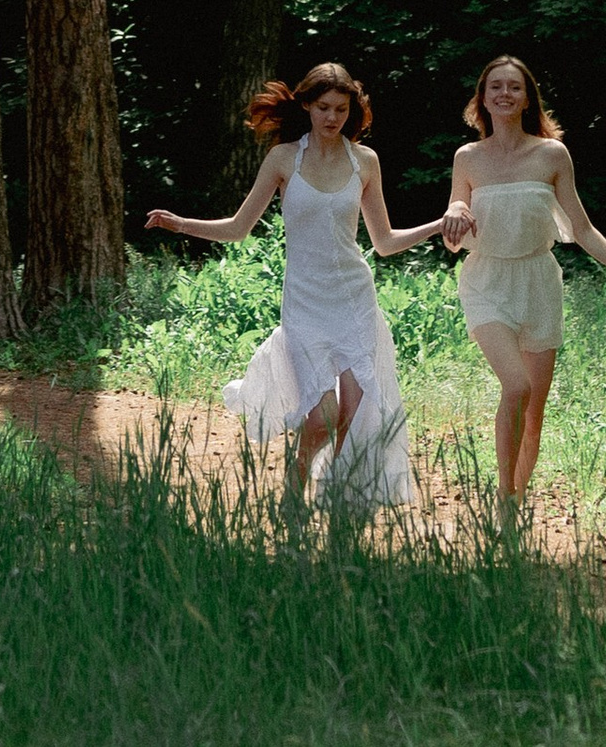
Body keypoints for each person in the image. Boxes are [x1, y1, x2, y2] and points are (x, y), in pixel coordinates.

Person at [145, 59, 455, 508]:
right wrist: (181, 224)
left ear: (352, 111)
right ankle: (296, 482)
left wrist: (438, 225)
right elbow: (238, 228)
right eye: (324, 107)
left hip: (354, 298)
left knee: (353, 412)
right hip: (305, 302)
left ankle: (337, 498)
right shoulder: (284, 159)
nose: (333, 117)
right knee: (323, 416)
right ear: (307, 105)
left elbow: (385, 242)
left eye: (342, 109)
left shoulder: (365, 162)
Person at [442, 53, 606, 502]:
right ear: (482, 98)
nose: (505, 94)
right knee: (517, 386)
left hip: (539, 283)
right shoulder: (467, 158)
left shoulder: (551, 154)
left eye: (514, 87)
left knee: (534, 413)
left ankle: (517, 499)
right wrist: (455, 212)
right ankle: (504, 497)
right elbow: (455, 226)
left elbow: (582, 229)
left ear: (528, 98)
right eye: (496, 87)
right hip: (486, 280)